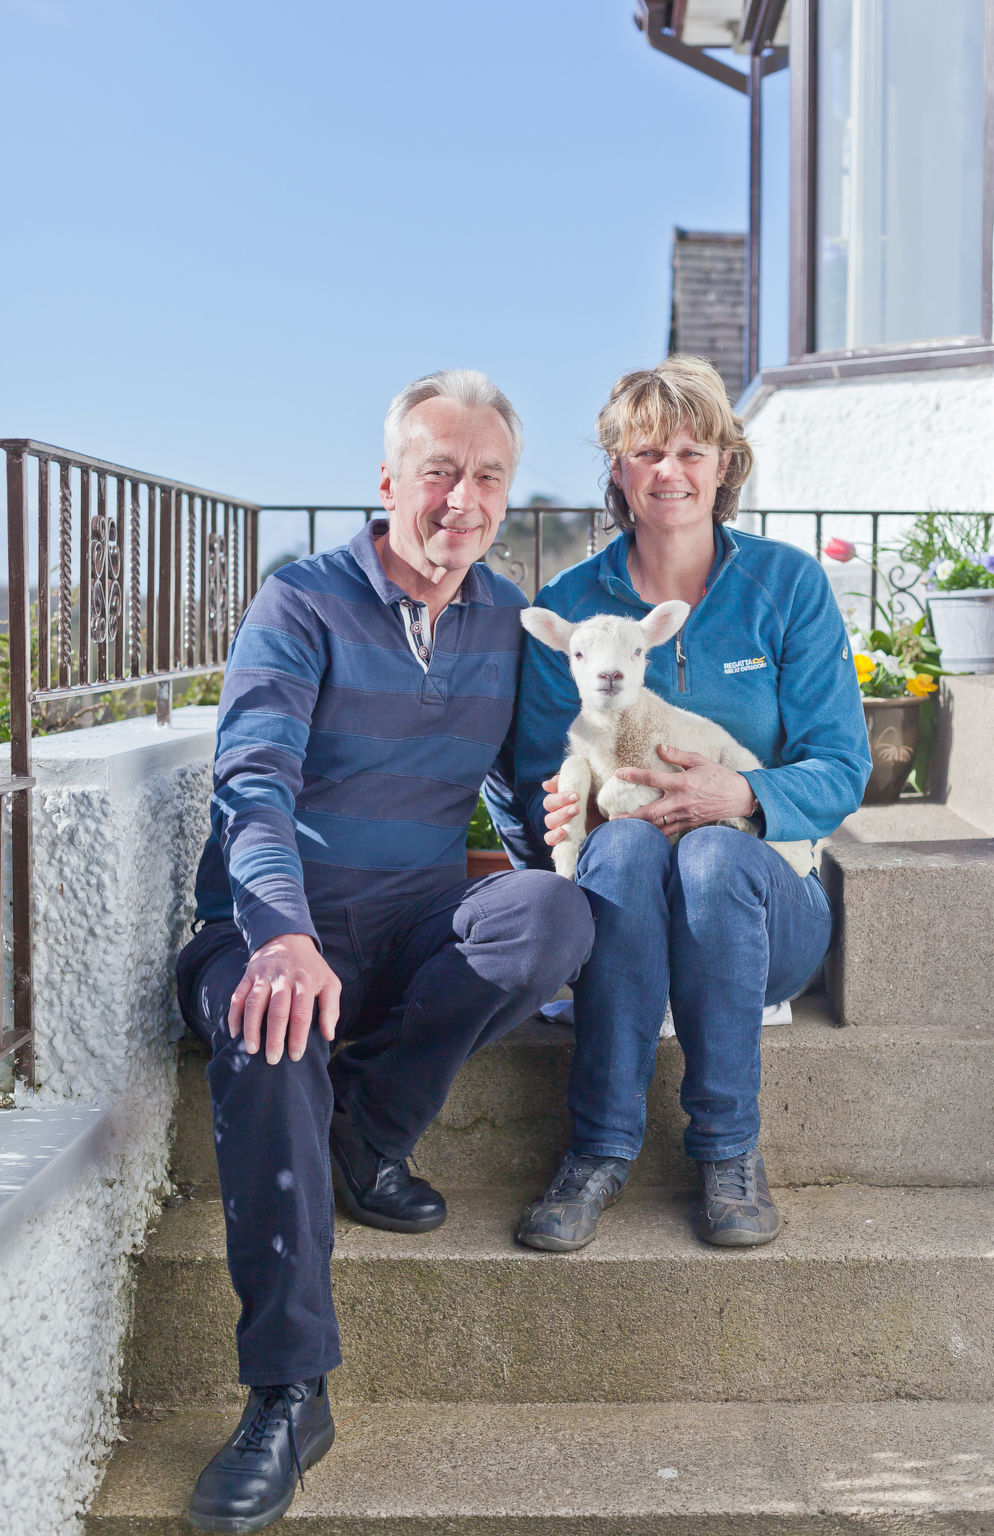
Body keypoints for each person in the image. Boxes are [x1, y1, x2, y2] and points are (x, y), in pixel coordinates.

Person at [175, 369, 594, 1533]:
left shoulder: (506, 620)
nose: (462, 499)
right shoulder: (301, 602)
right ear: (388, 481)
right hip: (275, 928)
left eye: (487, 478)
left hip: (413, 922)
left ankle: (368, 1134)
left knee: (553, 918)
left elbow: (523, 798)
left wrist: (579, 845)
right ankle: (287, 1393)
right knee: (269, 1034)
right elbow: (251, 780)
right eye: (439, 471)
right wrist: (283, 934)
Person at [513, 355, 870, 1254]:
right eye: (645, 453)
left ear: (724, 465)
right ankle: (596, 1151)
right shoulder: (569, 606)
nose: (669, 471)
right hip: (625, 911)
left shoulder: (787, 589)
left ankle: (727, 1153)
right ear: (619, 474)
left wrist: (741, 791)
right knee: (628, 852)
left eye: (690, 449)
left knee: (711, 854)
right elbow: (531, 777)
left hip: (764, 907)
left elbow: (841, 766)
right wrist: (571, 814)